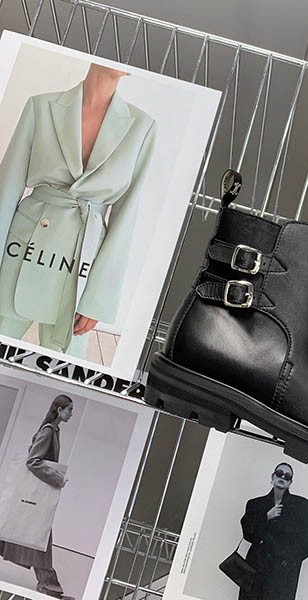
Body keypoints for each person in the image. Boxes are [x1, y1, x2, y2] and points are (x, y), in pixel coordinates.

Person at [0, 63, 156, 356]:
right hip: (22, 248)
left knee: (64, 362)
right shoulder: (41, 106)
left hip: (81, 261)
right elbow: (6, 188)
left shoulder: (142, 126)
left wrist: (98, 298)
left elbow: (126, 215)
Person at [0, 394, 74, 599]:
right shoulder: (48, 431)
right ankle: (49, 588)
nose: (71, 414)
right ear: (59, 410)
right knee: (40, 537)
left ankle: (49, 587)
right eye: (69, 409)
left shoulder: (53, 430)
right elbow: (33, 460)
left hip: (33, 498)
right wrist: (57, 478)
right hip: (34, 498)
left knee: (34, 537)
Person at [238, 462, 308, 600]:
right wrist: (265, 517)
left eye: (287, 476)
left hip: (283, 572)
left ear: (290, 483)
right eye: (279, 473)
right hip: (256, 566)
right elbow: (248, 534)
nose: (282, 477)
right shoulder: (255, 504)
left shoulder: (302, 507)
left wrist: (292, 559)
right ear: (272, 477)